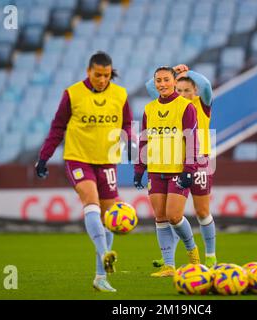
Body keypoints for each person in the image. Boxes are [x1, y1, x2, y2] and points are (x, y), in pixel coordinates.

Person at [35, 51, 135, 292]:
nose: (103, 80)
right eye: (98, 75)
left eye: (107, 75)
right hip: (78, 159)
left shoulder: (120, 94)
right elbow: (58, 127)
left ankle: (101, 278)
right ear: (89, 71)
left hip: (107, 161)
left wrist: (128, 140)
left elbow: (127, 124)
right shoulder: (73, 94)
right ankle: (104, 253)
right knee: (91, 201)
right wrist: (43, 157)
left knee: (109, 217)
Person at [145, 64, 217, 268]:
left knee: (202, 212)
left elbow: (206, 84)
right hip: (177, 162)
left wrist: (187, 73)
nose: (183, 93)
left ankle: (210, 254)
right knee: (172, 214)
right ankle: (169, 257)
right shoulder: (171, 106)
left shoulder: (202, 104)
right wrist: (173, 74)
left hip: (200, 161)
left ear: (195, 92)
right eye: (180, 89)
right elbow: (152, 87)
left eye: (188, 90)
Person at [134, 66, 200, 277]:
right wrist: (139, 169)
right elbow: (144, 139)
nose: (162, 84)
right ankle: (169, 266)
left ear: (174, 81)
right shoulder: (149, 109)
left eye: (166, 79)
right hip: (155, 170)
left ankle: (193, 254)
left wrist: (189, 170)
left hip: (177, 171)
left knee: (174, 216)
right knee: (160, 217)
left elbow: (191, 139)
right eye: (158, 80)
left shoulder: (185, 107)